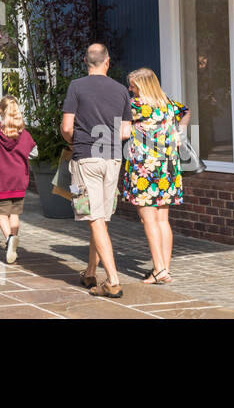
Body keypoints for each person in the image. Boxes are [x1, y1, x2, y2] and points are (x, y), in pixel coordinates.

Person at [62, 43, 132, 298]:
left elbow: (67, 126)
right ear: (108, 62)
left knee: (94, 217)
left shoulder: (77, 87)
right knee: (100, 218)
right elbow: (125, 132)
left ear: (85, 61)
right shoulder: (121, 90)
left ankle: (112, 280)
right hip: (112, 159)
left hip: (86, 157)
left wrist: (73, 142)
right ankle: (91, 271)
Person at [122, 67, 190, 285]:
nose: (130, 89)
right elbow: (186, 111)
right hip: (168, 168)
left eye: (133, 85)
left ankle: (160, 269)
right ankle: (163, 268)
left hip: (145, 168)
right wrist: (178, 132)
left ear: (143, 86)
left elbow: (120, 130)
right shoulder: (168, 104)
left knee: (148, 219)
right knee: (162, 219)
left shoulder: (135, 107)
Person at [0, 96, 38, 265]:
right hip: (19, 179)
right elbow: (34, 153)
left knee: (1, 213)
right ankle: (14, 240)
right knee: (14, 213)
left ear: (0, 111)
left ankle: (9, 239)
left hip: (1, 180)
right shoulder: (23, 133)